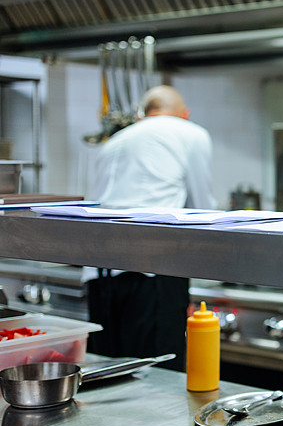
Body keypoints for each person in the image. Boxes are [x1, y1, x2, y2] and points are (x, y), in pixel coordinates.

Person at [84, 85, 216, 371]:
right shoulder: (190, 133)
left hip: (98, 273)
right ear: (185, 114)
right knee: (157, 375)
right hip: (153, 271)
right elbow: (204, 208)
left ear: (143, 114)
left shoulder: (113, 142)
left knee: (108, 372)